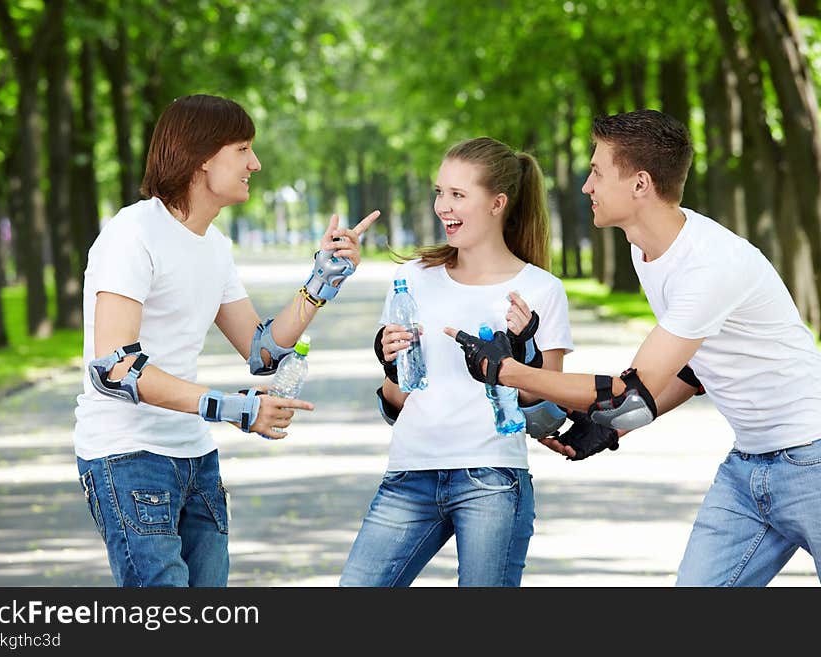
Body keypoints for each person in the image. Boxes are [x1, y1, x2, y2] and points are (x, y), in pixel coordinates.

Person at [445, 109, 821, 586]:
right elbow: (691, 371)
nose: (586, 186)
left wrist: (509, 372)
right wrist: (610, 427)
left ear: (640, 184)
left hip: (811, 461)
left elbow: (629, 390)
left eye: (597, 172)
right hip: (748, 469)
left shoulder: (709, 265)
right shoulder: (645, 249)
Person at [74, 94, 379, 587]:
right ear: (202, 158)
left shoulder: (214, 245)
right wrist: (232, 408)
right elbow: (115, 368)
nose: (255, 164)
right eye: (243, 149)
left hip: (195, 458)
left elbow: (261, 351)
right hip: (127, 457)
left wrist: (322, 282)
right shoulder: (132, 233)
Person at [339, 137, 574, 587]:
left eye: (458, 195)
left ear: (497, 203)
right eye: (439, 192)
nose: (442, 206)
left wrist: (521, 355)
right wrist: (391, 370)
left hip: (491, 479)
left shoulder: (540, 290)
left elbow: (546, 414)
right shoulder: (412, 279)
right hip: (410, 473)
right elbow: (398, 400)